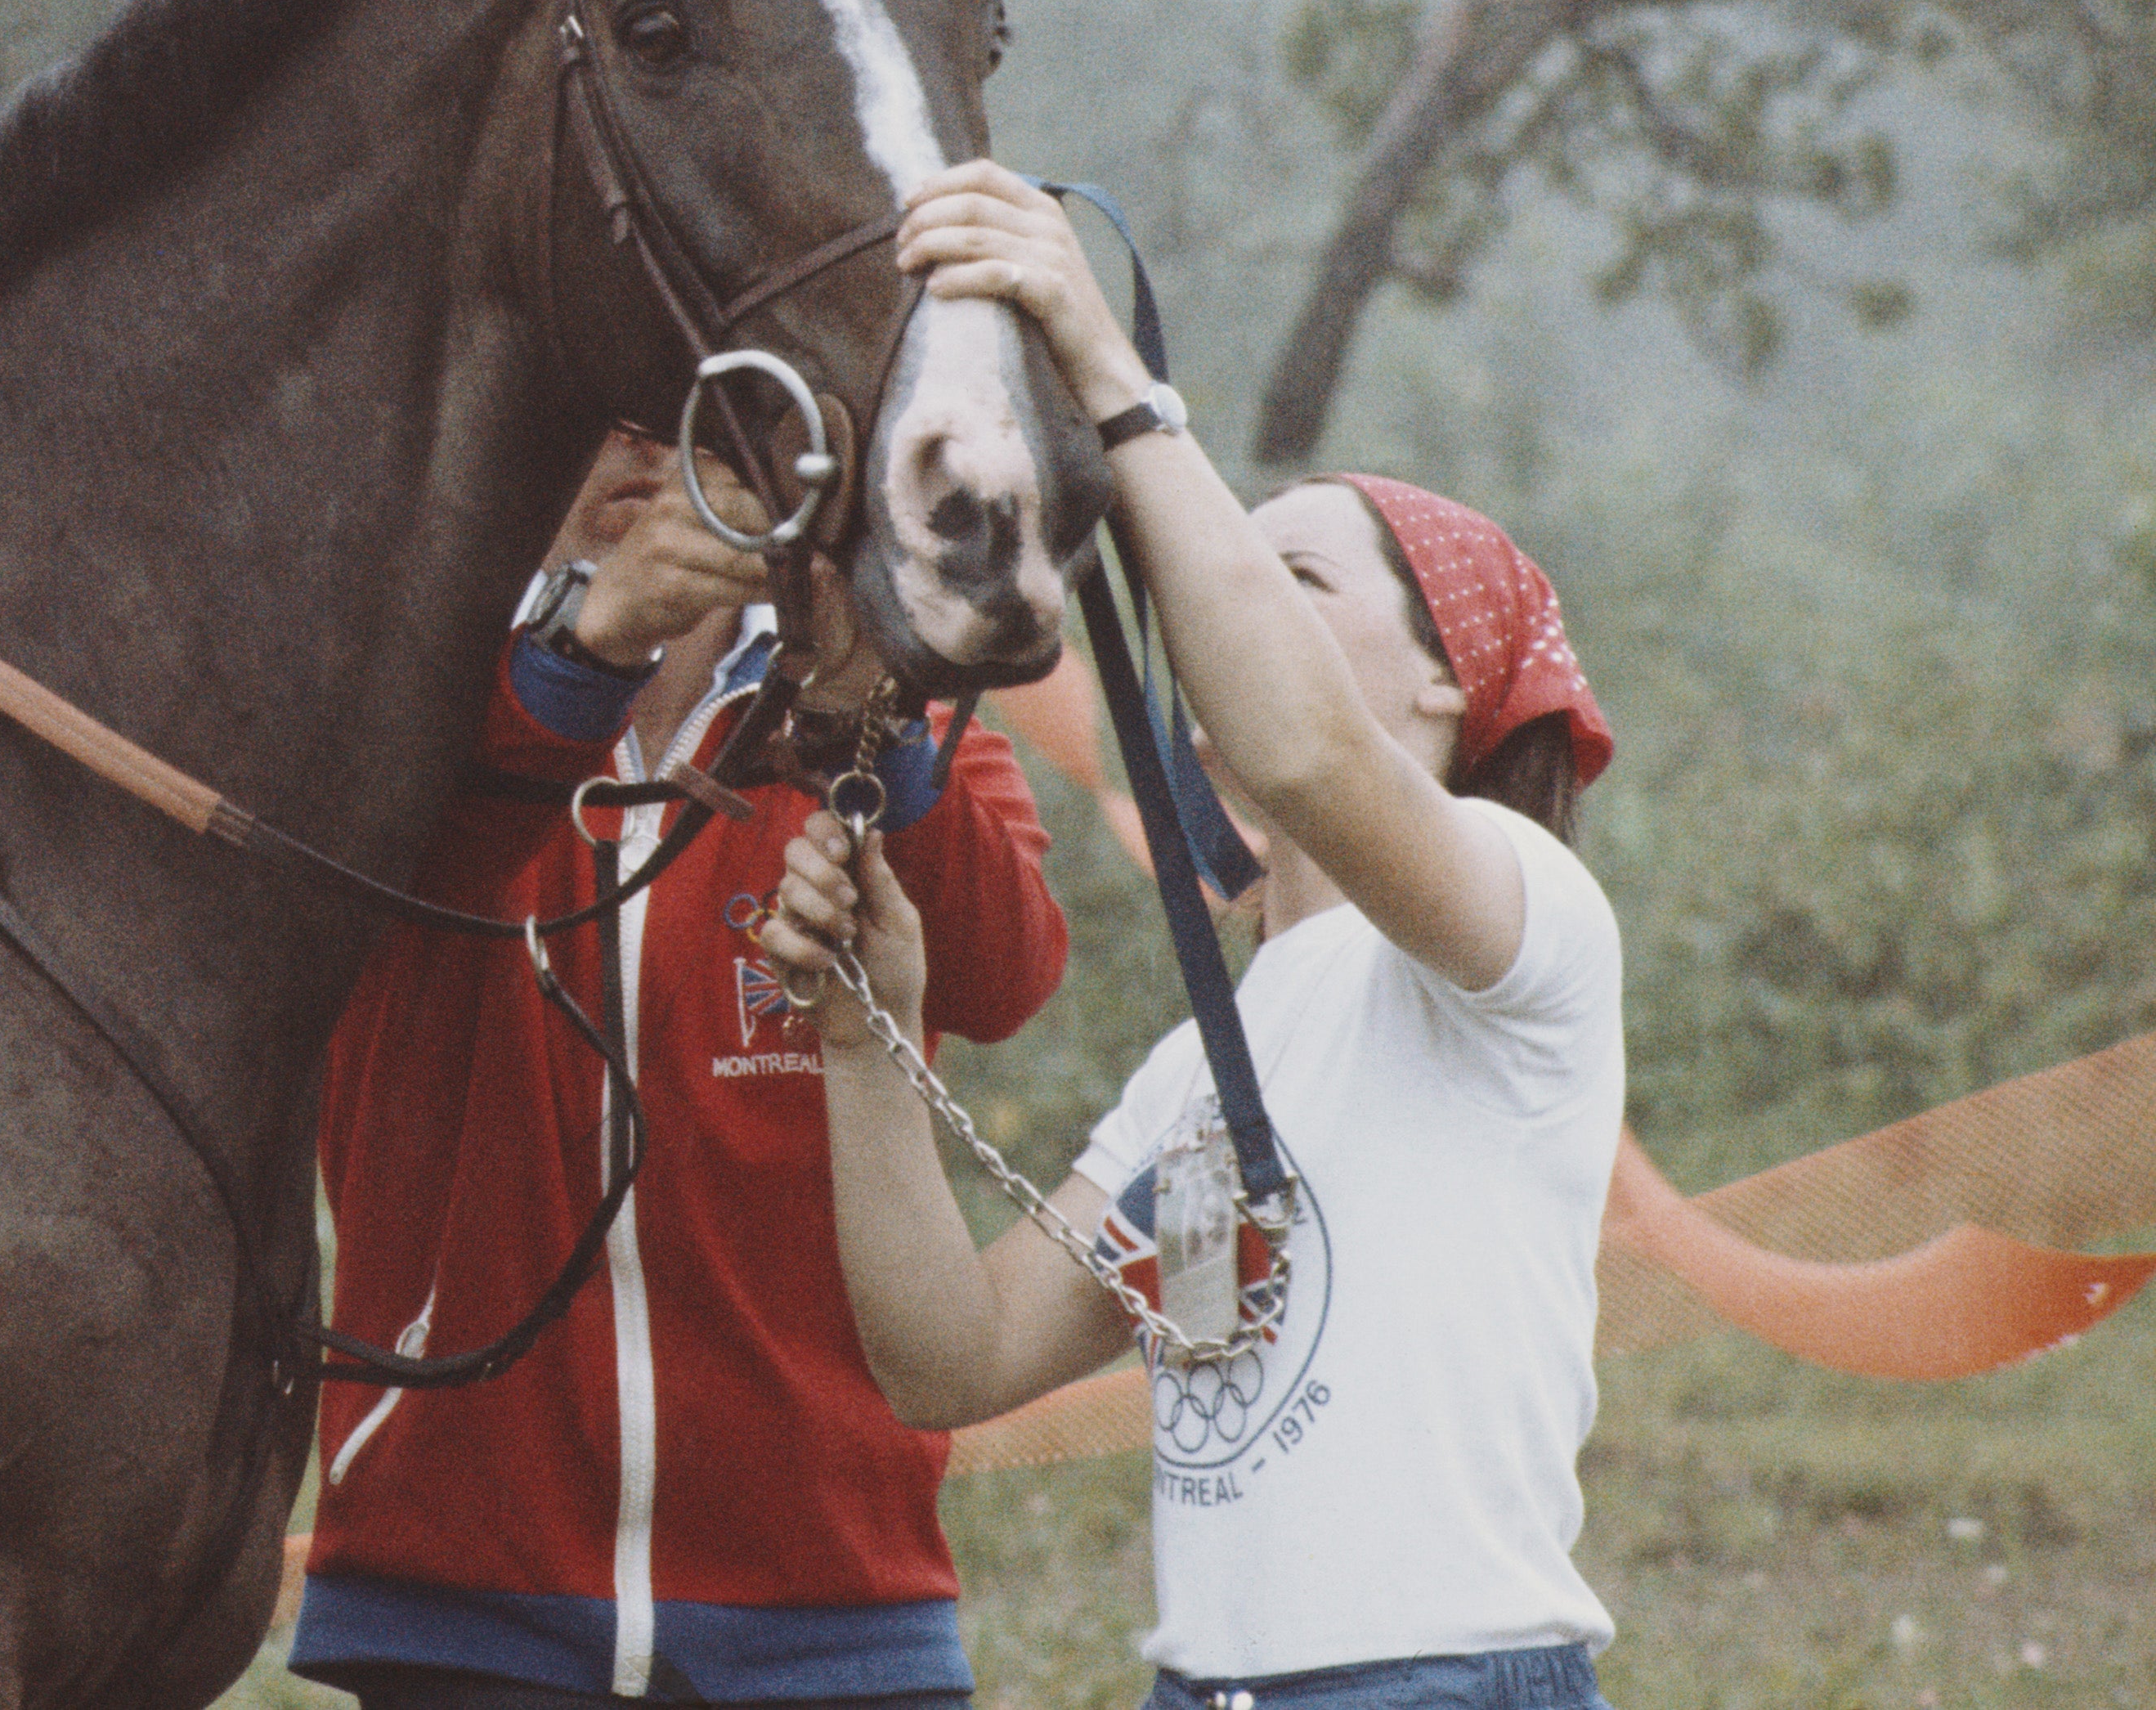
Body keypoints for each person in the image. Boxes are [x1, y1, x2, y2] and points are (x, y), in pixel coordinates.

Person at [762, 160, 1626, 1710]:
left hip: (1432, 1680)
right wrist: (861, 1036)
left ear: (1449, 682)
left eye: (1295, 583)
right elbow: (949, 1360)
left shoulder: (1521, 918)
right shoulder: (1199, 1068)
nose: (1229, 627)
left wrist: (1110, 372)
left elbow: (1306, 749)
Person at [294, 429, 1073, 1710]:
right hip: (461, 1592)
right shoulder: (404, 687)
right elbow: (377, 894)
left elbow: (1007, 973)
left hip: (831, 1595)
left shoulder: (865, 704)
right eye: (600, 406)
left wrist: (858, 717)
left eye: (693, 413)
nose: (647, 448)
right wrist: (576, 659)